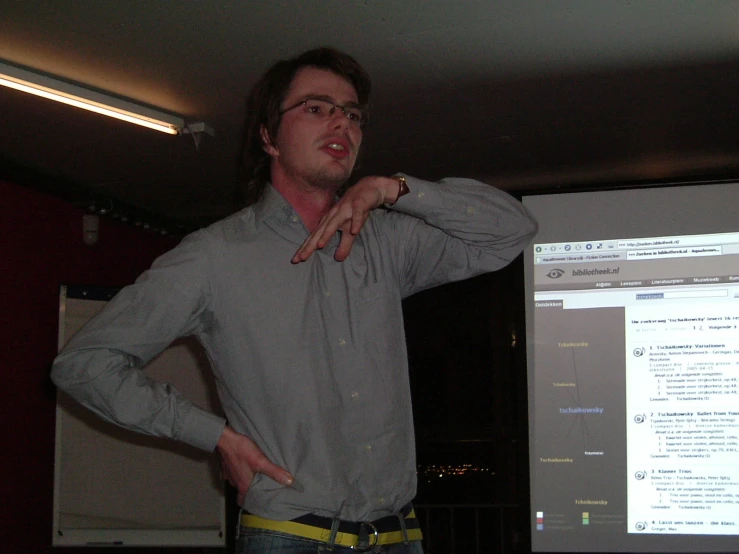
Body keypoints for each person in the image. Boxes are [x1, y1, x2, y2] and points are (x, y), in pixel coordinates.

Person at [51, 47, 538, 553]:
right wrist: (216, 436)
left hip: (398, 536)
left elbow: (512, 232)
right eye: (315, 107)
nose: (340, 123)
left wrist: (395, 189)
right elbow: (84, 364)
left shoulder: (388, 242)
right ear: (268, 136)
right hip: (290, 537)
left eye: (352, 114)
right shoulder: (214, 257)